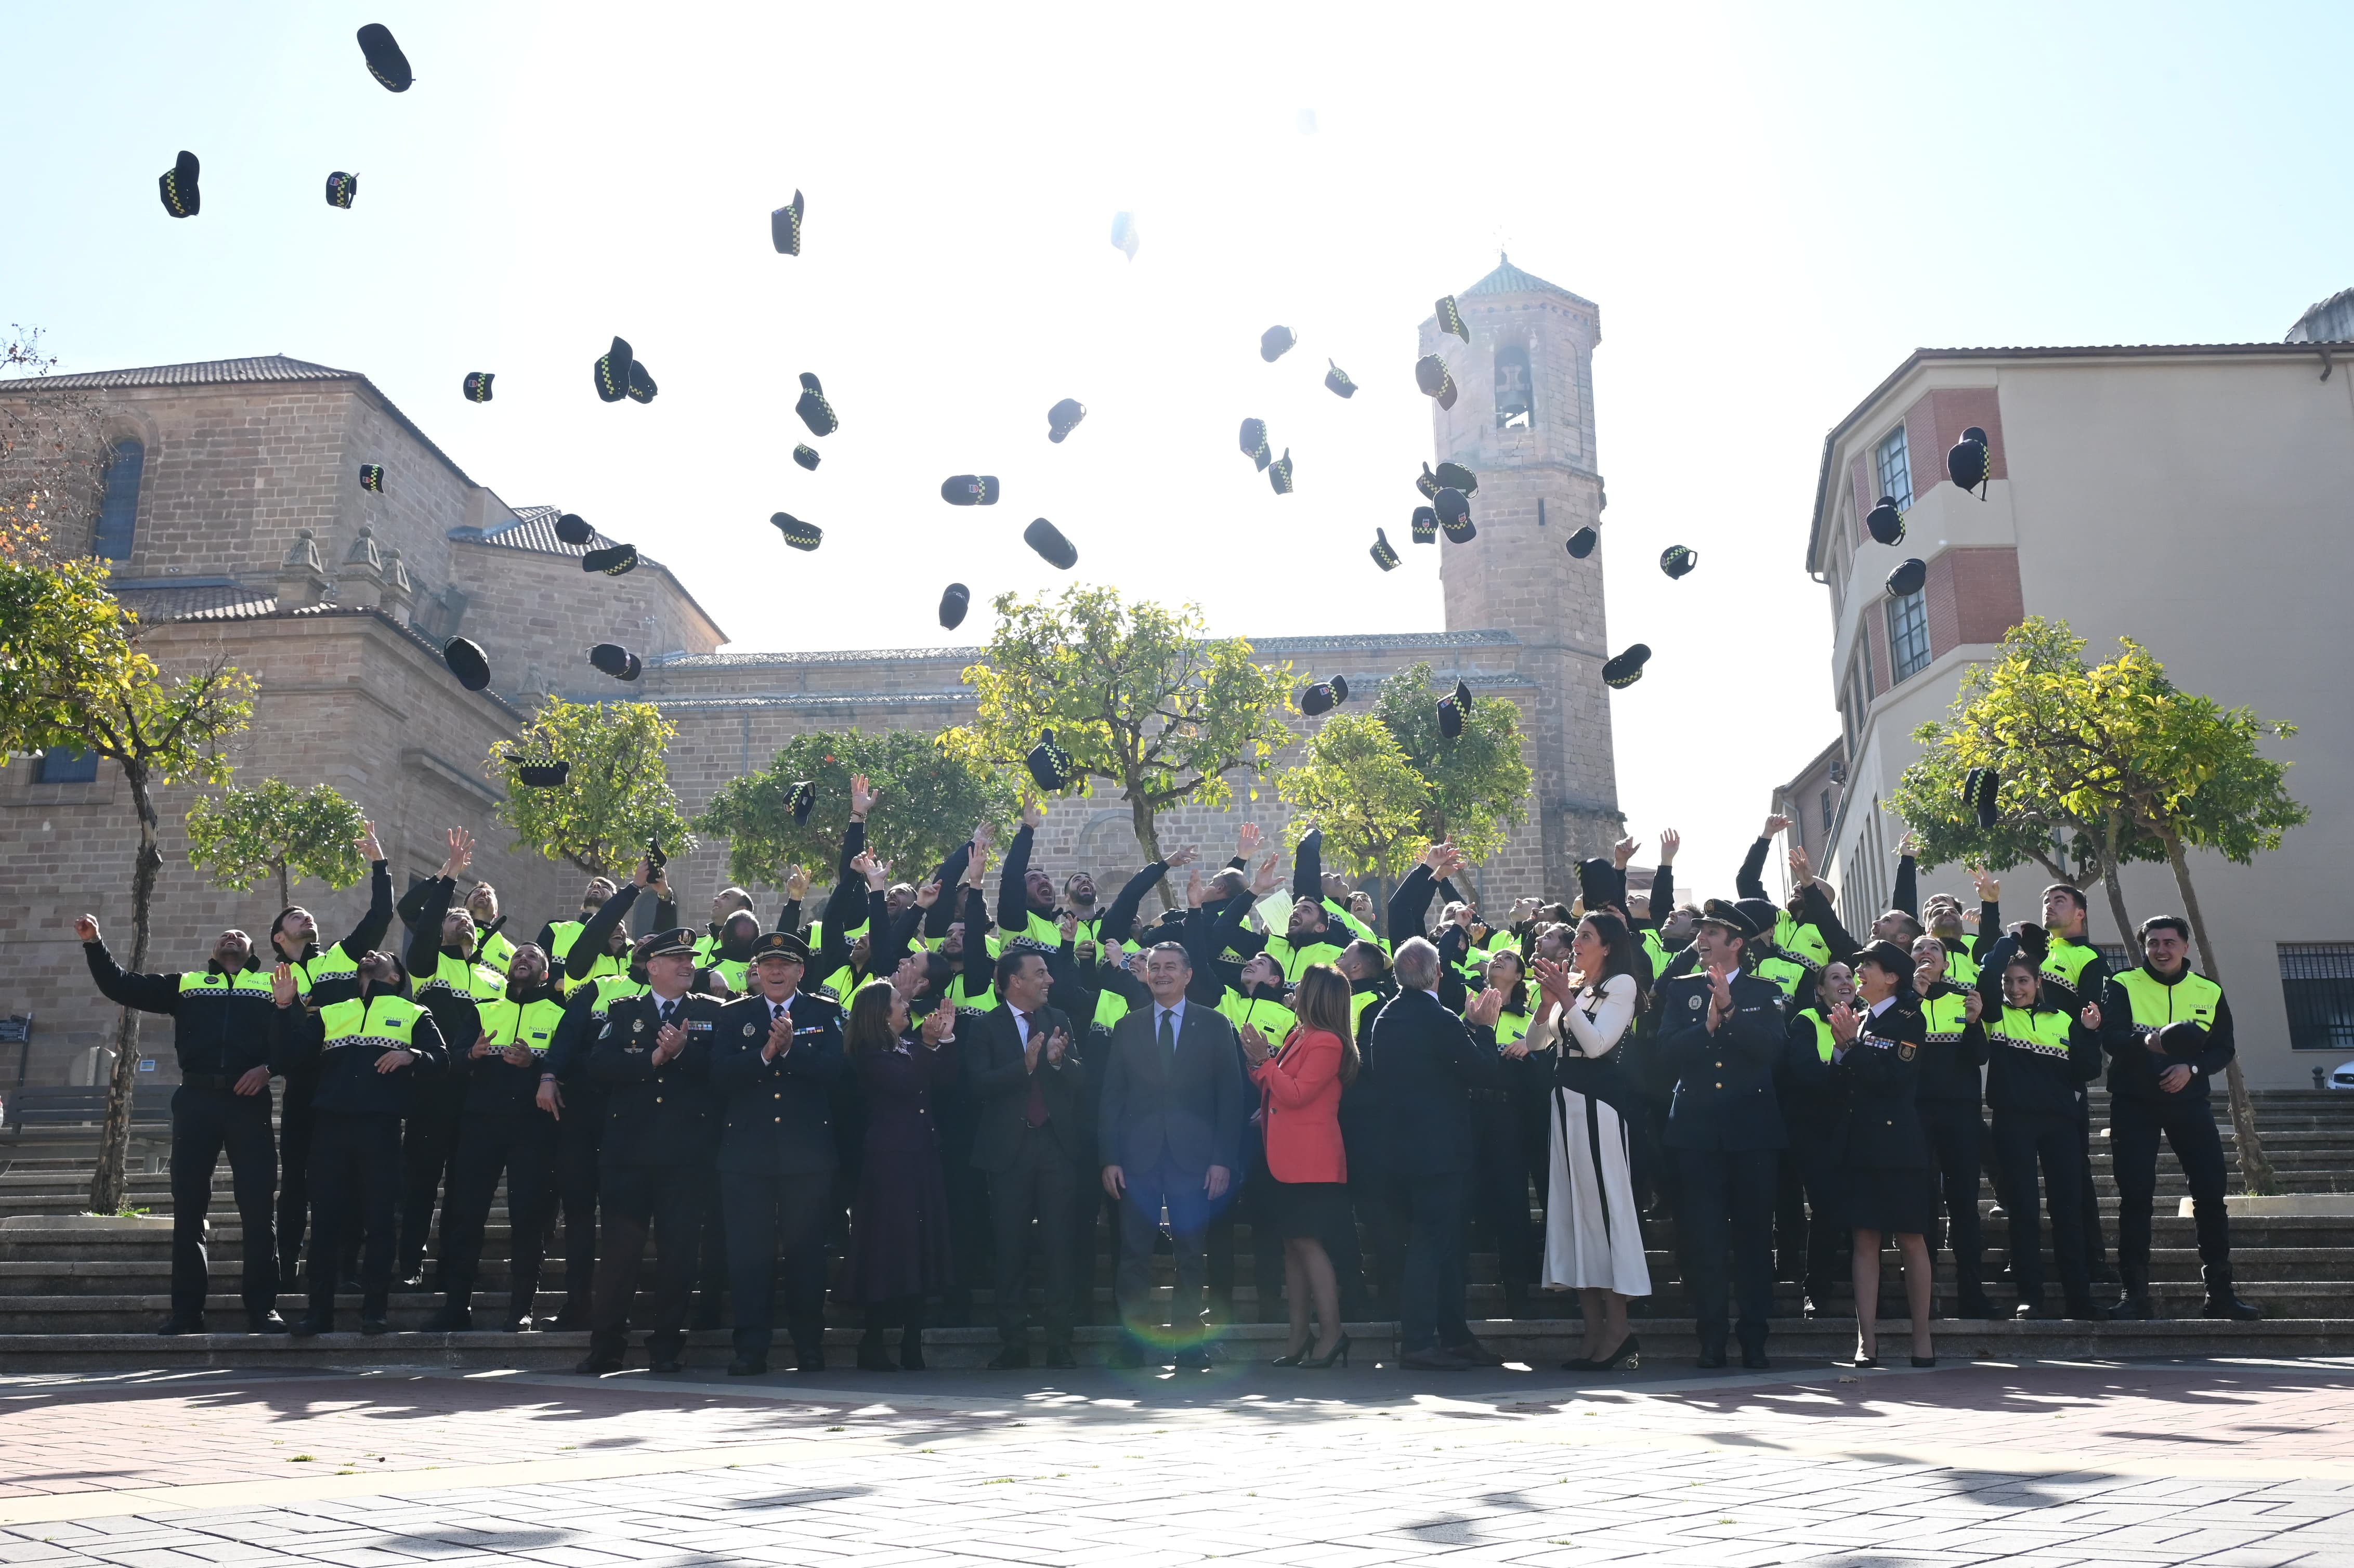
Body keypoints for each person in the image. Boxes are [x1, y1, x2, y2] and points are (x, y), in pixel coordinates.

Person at [76, 915, 285, 1335]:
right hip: (195, 1102)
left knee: (259, 1209)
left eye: (239, 933)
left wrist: (270, 1067)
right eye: (224, 934)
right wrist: (94, 944)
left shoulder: (273, 986)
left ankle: (263, 1309)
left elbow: (300, 1038)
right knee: (189, 1210)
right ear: (213, 951)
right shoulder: (186, 983)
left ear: (252, 951)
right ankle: (187, 1312)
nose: (231, 935)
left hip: (249, 1102)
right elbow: (122, 985)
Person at [419, 864, 567, 1332]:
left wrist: (536, 1066)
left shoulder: (561, 1014)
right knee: (466, 1217)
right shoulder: (484, 1008)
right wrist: (473, 1054)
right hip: (480, 1123)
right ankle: (455, 1305)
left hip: (534, 1128)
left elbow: (571, 1067)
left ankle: (521, 1307)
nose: (522, 959)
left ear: (544, 972)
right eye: (518, 955)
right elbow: (454, 1058)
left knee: (528, 1218)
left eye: (532, 957)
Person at [272, 947, 446, 1337]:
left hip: (381, 1131)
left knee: (381, 1222)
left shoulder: (414, 1013)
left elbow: (443, 1061)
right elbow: (290, 1058)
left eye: (383, 954)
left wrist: (412, 1055)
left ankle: (375, 1311)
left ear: (396, 977)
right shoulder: (332, 1012)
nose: (372, 954)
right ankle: (319, 1312)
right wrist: (285, 1010)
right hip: (329, 1129)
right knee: (326, 1224)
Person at [577, 926, 725, 1375]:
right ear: (652, 966)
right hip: (629, 1155)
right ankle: (606, 1347)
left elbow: (723, 1072)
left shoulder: (715, 1013)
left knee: (679, 1254)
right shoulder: (624, 1012)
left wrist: (683, 1054)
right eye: (677, 959)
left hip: (686, 1157)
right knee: (620, 1255)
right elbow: (598, 1066)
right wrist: (652, 1061)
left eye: (691, 959)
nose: (688, 965)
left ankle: (666, 1348)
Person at [1649, 899, 1786, 1370]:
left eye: (1713, 933)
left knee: (1752, 1241)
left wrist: (1731, 1012)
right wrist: (1707, 1026)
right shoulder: (1682, 990)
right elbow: (1663, 1053)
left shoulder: (1765, 991)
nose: (1702, 939)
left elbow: (1772, 1051)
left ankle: (1754, 1340)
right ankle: (1710, 1339)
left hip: (1752, 1135)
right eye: (1701, 931)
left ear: (1737, 944)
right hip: (1697, 1136)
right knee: (1703, 1242)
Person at [2102, 916, 2259, 1321]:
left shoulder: (2208, 990)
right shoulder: (2122, 984)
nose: (2161, 950)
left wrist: (2190, 1069)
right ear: (2144, 948)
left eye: (2170, 942)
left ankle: (2220, 1295)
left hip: (2189, 1103)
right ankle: (2134, 1296)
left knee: (2210, 1195)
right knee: (2136, 1197)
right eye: (2153, 943)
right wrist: (2149, 1043)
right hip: (2133, 1103)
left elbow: (2223, 1048)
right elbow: (2111, 1037)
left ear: (2185, 947)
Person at [1099, 940, 1247, 1369]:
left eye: (1169, 967)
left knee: (1190, 1251)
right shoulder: (1128, 1026)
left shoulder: (1216, 1025)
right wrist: (1110, 1157)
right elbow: (1111, 1097)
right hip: (1136, 1160)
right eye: (1154, 967)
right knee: (1133, 1253)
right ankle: (1133, 1342)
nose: (1160, 973)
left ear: (1187, 975)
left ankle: (1189, 1343)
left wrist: (1224, 1159)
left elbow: (1230, 1099)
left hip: (1196, 1160)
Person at [709, 930, 844, 1376]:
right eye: (768, 965)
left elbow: (838, 1073)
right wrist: (765, 1055)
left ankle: (809, 1346)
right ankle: (751, 1349)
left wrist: (793, 1049)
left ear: (801, 971)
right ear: (757, 971)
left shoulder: (824, 1012)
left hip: (807, 1158)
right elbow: (720, 1078)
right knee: (749, 1256)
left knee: (807, 1255)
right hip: (747, 1159)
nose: (776, 972)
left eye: (785, 965)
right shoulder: (733, 1017)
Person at [1369, 934, 1507, 1371]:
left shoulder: (1385, 1017)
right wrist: (1483, 1029)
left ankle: (1454, 1334)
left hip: (1399, 1150)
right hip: (1439, 1152)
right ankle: (1420, 1339)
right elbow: (1484, 1071)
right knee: (1433, 1244)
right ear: (1437, 973)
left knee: (1444, 1244)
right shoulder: (1439, 1018)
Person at [265, 818, 388, 1289]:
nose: (307, 919)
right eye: (295, 917)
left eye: (308, 916)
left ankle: (344, 1266)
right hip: (304, 1089)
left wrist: (379, 862)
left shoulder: (340, 957)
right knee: (295, 1180)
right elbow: (273, 1041)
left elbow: (380, 916)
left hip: (348, 1083)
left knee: (351, 1182)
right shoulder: (274, 980)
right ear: (279, 937)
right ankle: (287, 1264)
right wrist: (291, 1013)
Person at [1528, 912, 1651, 1373]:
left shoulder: (1622, 987)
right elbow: (1537, 1042)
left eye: (1585, 936)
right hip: (1565, 1106)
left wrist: (1566, 998)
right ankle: (1594, 1331)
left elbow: (1598, 1045)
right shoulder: (1573, 987)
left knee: (1602, 1213)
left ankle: (1619, 1331)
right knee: (1575, 1214)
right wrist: (1548, 1004)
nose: (1574, 942)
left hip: (1599, 1107)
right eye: (1575, 935)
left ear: (1607, 946)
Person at [1980, 884, 2118, 1286]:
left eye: (2060, 901)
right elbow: (1995, 976)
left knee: (2074, 1181)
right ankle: (2026, 1265)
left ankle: (2090, 1260)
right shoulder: (2039, 953)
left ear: (2080, 913)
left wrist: (2081, 1050)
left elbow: (2091, 1017)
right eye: (2045, 901)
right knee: (2020, 1193)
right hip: (2017, 1097)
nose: (2049, 906)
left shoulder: (2088, 956)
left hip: (2061, 1085)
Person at [397, 829, 508, 1289]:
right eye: (451, 917)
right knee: (421, 1179)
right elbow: (419, 928)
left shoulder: (493, 976)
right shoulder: (427, 963)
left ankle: (455, 1266)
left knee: (468, 1188)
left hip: (479, 1091)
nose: (461, 920)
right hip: (433, 1088)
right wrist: (449, 879)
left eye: (466, 917)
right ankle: (409, 1264)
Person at [969, 947, 1086, 1368]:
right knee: (1010, 1248)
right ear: (1015, 981)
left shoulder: (1059, 1019)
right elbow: (978, 1085)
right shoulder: (986, 1026)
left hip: (1056, 1147)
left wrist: (1056, 1063)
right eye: (1040, 973)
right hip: (1008, 1152)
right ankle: (1014, 1342)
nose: (1049, 980)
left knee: (1060, 1246)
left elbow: (1081, 1076)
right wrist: (1026, 1064)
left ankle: (1060, 1341)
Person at [1828, 940, 1939, 1367]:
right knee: (1865, 1239)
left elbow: (1894, 1079)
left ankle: (1922, 1337)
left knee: (1911, 1237)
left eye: (1867, 967)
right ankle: (1866, 1339)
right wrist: (1842, 1049)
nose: (1859, 974)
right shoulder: (1860, 1021)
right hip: (1860, 1142)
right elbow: (1839, 1088)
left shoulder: (1910, 1018)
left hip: (1899, 1144)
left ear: (1892, 976)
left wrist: (1853, 1048)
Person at [1240, 963, 1356, 1369]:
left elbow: (1295, 1094)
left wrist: (1264, 1062)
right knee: (1292, 1246)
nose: (1294, 989)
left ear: (1317, 995)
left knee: (1308, 1243)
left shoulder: (1327, 1042)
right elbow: (1273, 1087)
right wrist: (1261, 1063)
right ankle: (1298, 1335)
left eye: (1302, 985)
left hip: (1312, 1161)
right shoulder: (1299, 1035)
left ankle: (1332, 1332)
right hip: (1285, 1157)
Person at [838, 982, 959, 1369]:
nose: (906, 1007)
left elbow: (946, 1081)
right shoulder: (869, 1053)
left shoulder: (904, 1048)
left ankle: (912, 1339)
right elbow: (906, 1084)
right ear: (879, 1012)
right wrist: (928, 1046)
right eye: (898, 1002)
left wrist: (946, 1037)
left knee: (919, 1248)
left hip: (920, 1158)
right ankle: (873, 1342)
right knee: (888, 1251)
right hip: (889, 1166)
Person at [1911, 933, 1996, 1319]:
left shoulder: (1965, 999)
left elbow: (1979, 1056)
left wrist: (1976, 1022)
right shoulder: (1898, 1002)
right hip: (1914, 1116)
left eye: (1934, 950)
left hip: (1960, 1115)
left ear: (1947, 963)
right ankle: (1923, 1299)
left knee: (1964, 1206)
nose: (1926, 953)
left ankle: (1972, 1294)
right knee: (1922, 1206)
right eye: (1918, 949)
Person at [1780, 960, 1853, 1317]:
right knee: (1825, 1207)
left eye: (1850, 977)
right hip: (1814, 1129)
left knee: (1860, 1209)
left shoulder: (1867, 1018)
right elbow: (1806, 1071)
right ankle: (1816, 1290)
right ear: (1820, 990)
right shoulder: (1806, 1019)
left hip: (1855, 1128)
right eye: (1836, 978)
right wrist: (1847, 1073)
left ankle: (1865, 1286)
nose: (1846, 982)